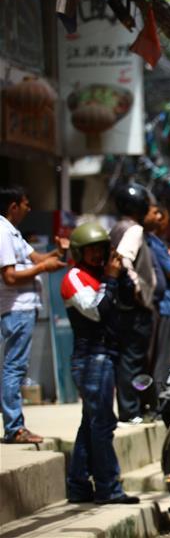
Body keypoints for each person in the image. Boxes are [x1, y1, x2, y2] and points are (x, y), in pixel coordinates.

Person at [60, 221, 139, 505]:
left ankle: (79, 484)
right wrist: (110, 279)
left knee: (91, 424)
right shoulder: (75, 277)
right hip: (91, 358)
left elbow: (130, 302)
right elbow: (96, 310)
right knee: (103, 425)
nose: (97, 256)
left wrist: (122, 275)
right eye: (90, 251)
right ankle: (108, 488)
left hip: (106, 357)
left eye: (101, 250)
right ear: (80, 253)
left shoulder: (106, 275)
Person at [1, 185, 67, 443]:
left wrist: (57, 252)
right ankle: (14, 427)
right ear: (13, 206)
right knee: (13, 369)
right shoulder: (3, 232)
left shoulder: (12, 232)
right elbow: (9, 276)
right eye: (26, 203)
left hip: (23, 309)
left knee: (14, 368)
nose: (29, 209)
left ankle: (14, 425)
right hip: (16, 309)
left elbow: (38, 257)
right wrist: (44, 266)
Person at [109, 183, 159, 423]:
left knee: (127, 358)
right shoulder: (134, 230)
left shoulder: (116, 227)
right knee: (133, 358)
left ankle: (131, 408)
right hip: (135, 309)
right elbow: (124, 260)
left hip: (123, 307)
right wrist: (137, 288)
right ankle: (131, 411)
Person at [146, 205, 170, 390]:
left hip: (165, 306)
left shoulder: (158, 243)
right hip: (165, 306)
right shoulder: (155, 244)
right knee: (164, 357)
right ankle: (160, 398)